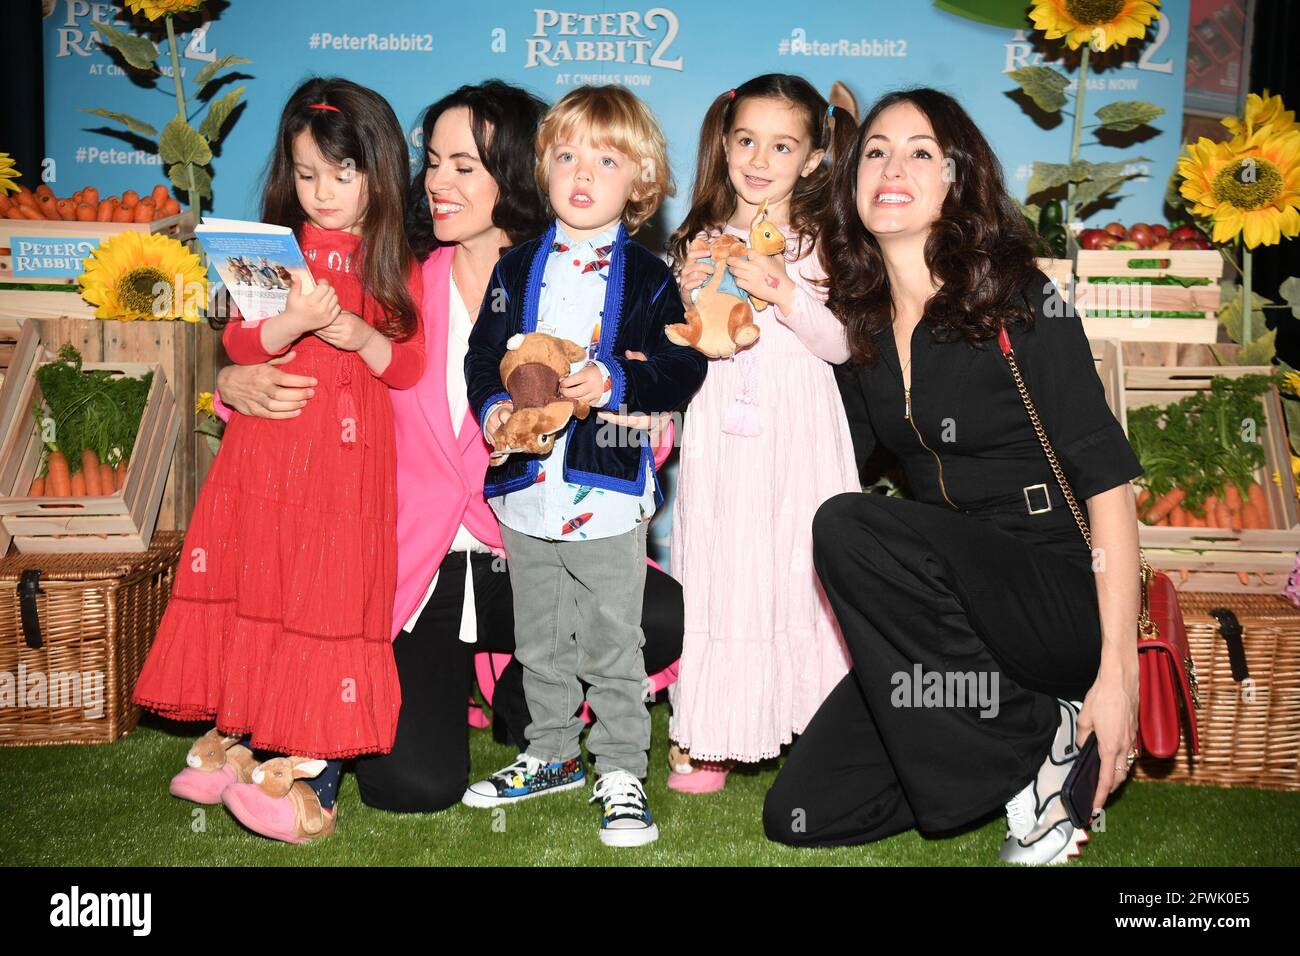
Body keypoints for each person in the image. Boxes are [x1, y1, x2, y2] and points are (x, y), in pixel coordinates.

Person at [214, 80, 686, 814]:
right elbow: (308, 362)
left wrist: (623, 405)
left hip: (532, 548)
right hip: (418, 573)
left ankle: (532, 698)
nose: (437, 181)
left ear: (518, 172)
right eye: (432, 161)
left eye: (465, 165)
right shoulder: (395, 279)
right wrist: (234, 382)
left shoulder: (581, 279)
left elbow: (655, 405)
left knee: (660, 615)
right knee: (411, 787)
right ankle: (487, 699)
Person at [762, 88, 1143, 865]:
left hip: (1057, 595)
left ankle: (1045, 743)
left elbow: (1108, 482)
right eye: (874, 151)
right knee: (806, 809)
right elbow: (825, 451)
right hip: (954, 638)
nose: (891, 167)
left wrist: (1117, 671)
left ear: (955, 179)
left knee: (848, 522)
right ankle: (1029, 730)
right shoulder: (862, 325)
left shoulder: (1023, 300)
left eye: (919, 152)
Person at [132, 77, 425, 844]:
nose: (323, 193)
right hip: (264, 460)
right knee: (260, 584)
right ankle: (240, 737)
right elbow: (234, 344)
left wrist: (354, 335)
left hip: (342, 470)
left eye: (342, 174)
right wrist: (289, 321)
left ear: (380, 171)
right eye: (306, 175)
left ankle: (310, 780)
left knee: (323, 599)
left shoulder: (396, 260)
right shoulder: (270, 252)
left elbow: (408, 363)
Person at [463, 84, 707, 846]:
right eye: (566, 154)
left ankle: (623, 768)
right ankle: (550, 753)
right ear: (543, 167)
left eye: (605, 159)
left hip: (608, 488)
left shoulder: (649, 275)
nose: (582, 171)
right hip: (525, 488)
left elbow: (683, 369)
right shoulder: (514, 267)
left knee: (611, 638)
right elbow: (481, 358)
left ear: (640, 181)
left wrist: (618, 382)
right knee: (538, 636)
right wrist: (493, 410)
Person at [664, 74, 859, 792]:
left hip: (798, 428)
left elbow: (842, 345)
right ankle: (712, 734)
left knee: (794, 563)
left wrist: (784, 289)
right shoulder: (698, 236)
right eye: (746, 140)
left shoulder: (825, 239)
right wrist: (688, 293)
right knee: (721, 563)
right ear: (725, 141)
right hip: (720, 424)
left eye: (782, 145)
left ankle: (813, 725)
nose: (758, 158)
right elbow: (679, 344)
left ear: (811, 158)